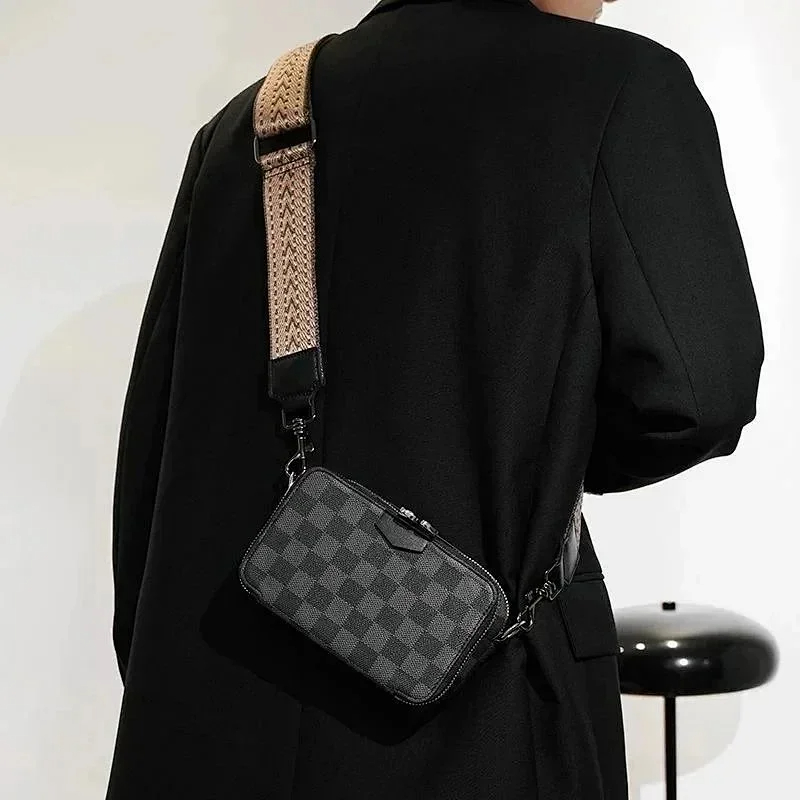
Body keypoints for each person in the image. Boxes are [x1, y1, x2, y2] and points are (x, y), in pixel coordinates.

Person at [105, 1, 763, 798]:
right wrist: (540, 461)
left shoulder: (251, 119)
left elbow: (151, 460)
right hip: (475, 716)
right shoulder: (619, 84)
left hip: (209, 721)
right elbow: (699, 393)